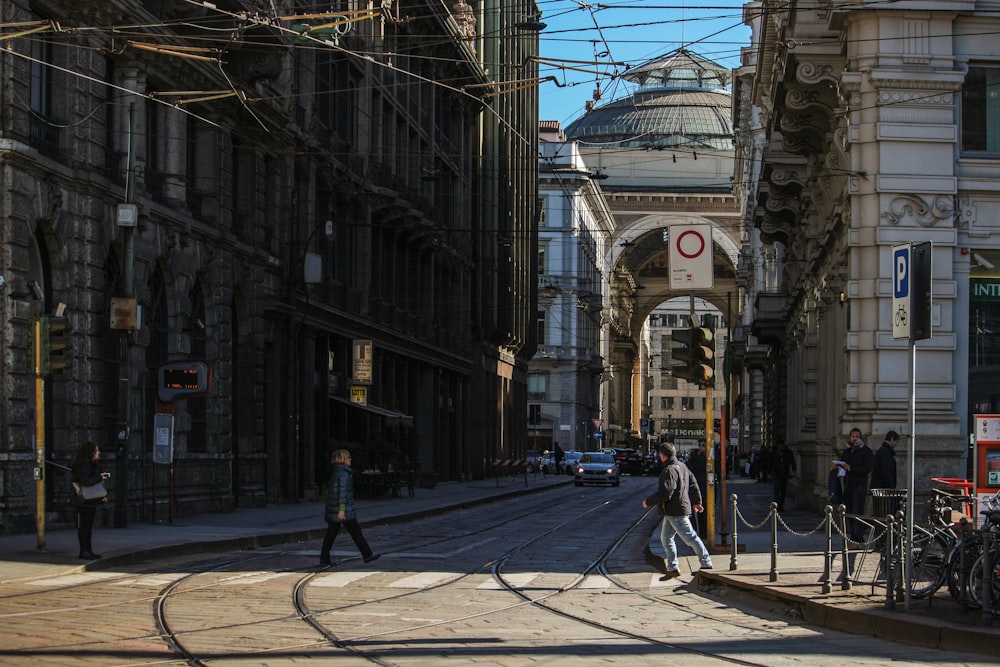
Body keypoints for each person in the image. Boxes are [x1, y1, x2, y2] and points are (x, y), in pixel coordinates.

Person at [642, 443, 713, 580]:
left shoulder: (669, 470)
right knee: (666, 538)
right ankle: (673, 567)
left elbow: (666, 492)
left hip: (676, 510)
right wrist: (697, 501)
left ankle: (706, 563)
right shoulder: (683, 466)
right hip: (673, 511)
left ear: (662, 455)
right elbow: (693, 483)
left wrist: (648, 502)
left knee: (690, 537)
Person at [320, 449, 380, 566]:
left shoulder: (337, 472)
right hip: (344, 510)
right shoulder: (344, 474)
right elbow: (342, 493)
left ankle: (324, 558)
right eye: (348, 457)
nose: (350, 459)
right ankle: (367, 554)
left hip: (336, 509)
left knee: (331, 534)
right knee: (356, 532)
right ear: (343, 460)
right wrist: (342, 509)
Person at [832, 428, 874, 544]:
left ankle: (858, 537)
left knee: (857, 512)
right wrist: (838, 466)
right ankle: (852, 536)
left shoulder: (866, 451)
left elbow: (867, 468)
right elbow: (844, 463)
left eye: (857, 437)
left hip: (859, 486)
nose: (854, 439)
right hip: (848, 485)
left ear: (861, 438)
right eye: (852, 436)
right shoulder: (847, 451)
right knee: (849, 512)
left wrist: (852, 469)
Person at [70, 441, 110, 560]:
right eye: (96, 450)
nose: (98, 452)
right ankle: (84, 551)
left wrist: (100, 496)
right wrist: (99, 477)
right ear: (91, 452)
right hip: (84, 501)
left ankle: (88, 550)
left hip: (89, 501)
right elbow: (86, 481)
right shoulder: (85, 465)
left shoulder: (91, 464)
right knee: (85, 526)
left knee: (88, 526)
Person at [686, 439, 709, 538]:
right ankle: (694, 532)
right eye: (700, 445)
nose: (701, 447)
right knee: (693, 512)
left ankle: (704, 533)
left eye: (703, 445)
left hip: (707, 488)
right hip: (696, 487)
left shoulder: (710, 457)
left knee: (705, 512)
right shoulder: (694, 458)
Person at [770, 441, 796, 512]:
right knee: (777, 490)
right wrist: (770, 473)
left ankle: (781, 505)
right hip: (776, 473)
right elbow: (771, 463)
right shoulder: (774, 453)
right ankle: (777, 505)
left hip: (784, 473)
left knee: (783, 491)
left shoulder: (788, 452)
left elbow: (792, 462)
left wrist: (793, 471)